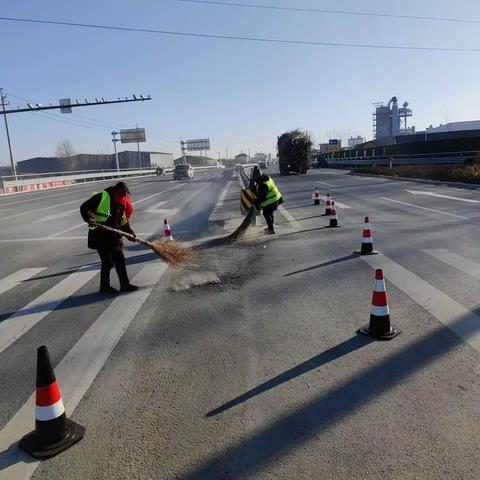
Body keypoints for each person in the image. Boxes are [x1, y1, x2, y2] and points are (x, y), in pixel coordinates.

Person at [80, 182, 138, 294]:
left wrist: (129, 232)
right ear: (115, 192)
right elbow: (84, 207)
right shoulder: (102, 197)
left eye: (124, 197)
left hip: (114, 237)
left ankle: (125, 285)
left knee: (120, 260)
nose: (122, 199)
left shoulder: (122, 202)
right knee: (108, 262)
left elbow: (124, 221)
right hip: (100, 235)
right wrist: (90, 218)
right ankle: (104, 287)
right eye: (120, 196)